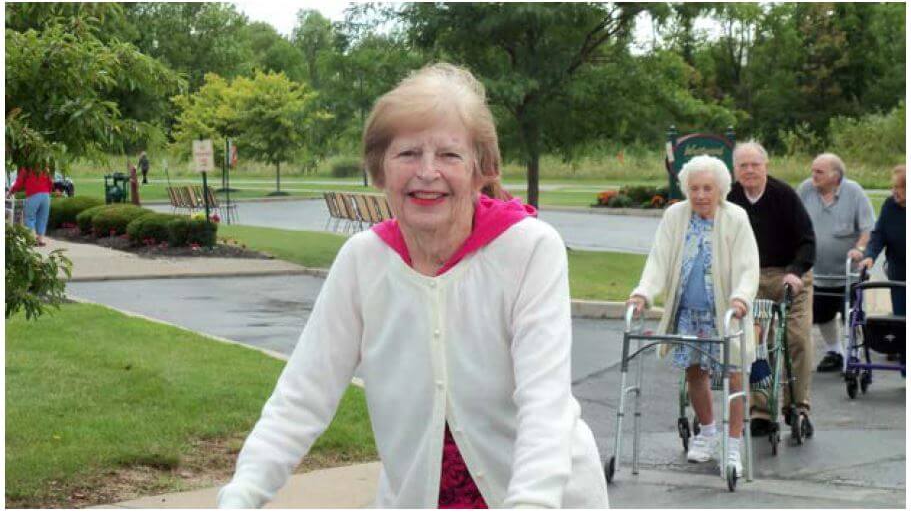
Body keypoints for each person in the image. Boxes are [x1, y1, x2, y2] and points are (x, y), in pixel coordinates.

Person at [217, 63, 608, 509]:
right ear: (379, 171)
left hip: (545, 500)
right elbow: (302, 395)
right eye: (407, 154)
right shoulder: (363, 260)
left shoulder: (529, 249)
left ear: (483, 170)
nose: (426, 172)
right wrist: (241, 496)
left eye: (449, 155)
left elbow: (545, 403)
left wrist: (531, 506)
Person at [628, 155, 759, 476]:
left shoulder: (735, 217)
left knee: (734, 375)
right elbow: (658, 258)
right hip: (689, 313)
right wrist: (644, 291)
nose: (700, 195)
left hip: (725, 313)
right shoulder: (676, 215)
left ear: (721, 190)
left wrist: (741, 298)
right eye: (694, 188)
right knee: (695, 374)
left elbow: (748, 265)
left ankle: (733, 445)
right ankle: (708, 433)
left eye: (707, 188)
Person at [727, 141, 816, 438]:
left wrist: (794, 272)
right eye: (743, 165)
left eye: (755, 164)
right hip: (750, 278)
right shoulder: (731, 197)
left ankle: (798, 406)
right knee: (754, 341)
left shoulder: (783, 195)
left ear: (766, 166)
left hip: (789, 273)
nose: (749, 170)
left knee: (795, 338)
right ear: (735, 169)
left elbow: (807, 241)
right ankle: (762, 410)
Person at [797, 153, 875, 372]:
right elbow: (793, 220)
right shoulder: (805, 190)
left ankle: (854, 353)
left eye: (819, 172)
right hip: (817, 270)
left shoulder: (854, 192)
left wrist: (859, 248)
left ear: (836, 175)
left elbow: (868, 228)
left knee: (853, 314)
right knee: (822, 314)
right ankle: (835, 352)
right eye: (813, 170)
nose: (813, 175)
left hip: (847, 271)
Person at [860, 165, 906, 316]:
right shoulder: (889, 206)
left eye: (898, 187)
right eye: (892, 187)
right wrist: (870, 255)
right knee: (901, 320)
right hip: (898, 274)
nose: (893, 191)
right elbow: (879, 235)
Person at [7, 166, 53, 246]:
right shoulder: (45, 167)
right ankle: (40, 240)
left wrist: (12, 191)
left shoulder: (27, 168)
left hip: (33, 194)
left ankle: (32, 239)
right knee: (42, 218)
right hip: (46, 195)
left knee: (29, 217)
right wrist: (48, 192)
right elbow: (50, 181)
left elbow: (19, 182)